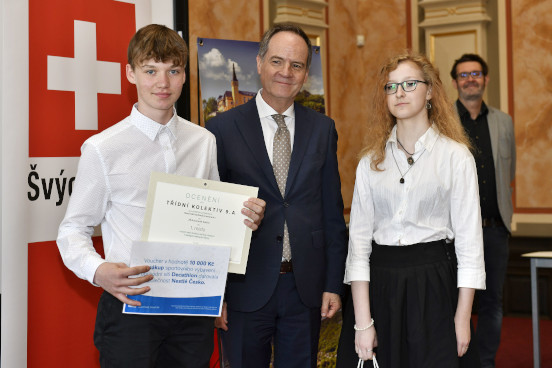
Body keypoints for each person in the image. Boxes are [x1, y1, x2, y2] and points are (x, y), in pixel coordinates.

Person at [57, 24, 265, 368]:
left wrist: (244, 219)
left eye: (173, 71)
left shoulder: (204, 142)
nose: (162, 83)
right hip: (132, 306)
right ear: (131, 73)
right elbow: (72, 231)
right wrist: (99, 271)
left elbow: (214, 224)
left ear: (185, 76)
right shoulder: (102, 149)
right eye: (150, 70)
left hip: (192, 307)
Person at [205, 23, 348, 368]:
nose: (286, 72)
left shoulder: (323, 129)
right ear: (259, 63)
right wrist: (214, 295)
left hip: (305, 289)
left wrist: (333, 283)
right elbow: (208, 218)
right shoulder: (221, 128)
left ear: (305, 73)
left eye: (296, 65)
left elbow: (331, 212)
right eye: (277, 61)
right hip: (243, 289)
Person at [337, 51, 486, 368]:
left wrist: (462, 318)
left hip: (433, 284)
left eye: (409, 84)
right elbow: (359, 247)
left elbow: (471, 247)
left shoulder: (456, 157)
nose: (399, 93)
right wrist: (363, 323)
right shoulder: (369, 163)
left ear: (430, 90)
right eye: (391, 87)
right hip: (380, 285)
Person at [451, 53, 516, 368]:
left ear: (486, 79)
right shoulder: (443, 121)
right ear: (455, 82)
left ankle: (485, 363)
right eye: (463, 75)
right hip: (452, 233)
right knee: (455, 302)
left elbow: (509, 170)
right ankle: (461, 361)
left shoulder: (504, 122)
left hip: (493, 229)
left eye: (475, 73)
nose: (470, 79)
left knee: (492, 304)